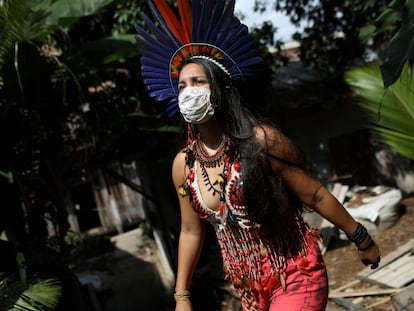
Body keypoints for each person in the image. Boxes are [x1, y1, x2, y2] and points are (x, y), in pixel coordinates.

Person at [135, 1, 381, 310]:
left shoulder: (260, 141)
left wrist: (360, 237)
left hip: (295, 272)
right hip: (248, 288)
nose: (188, 92)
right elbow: (189, 230)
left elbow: (315, 195)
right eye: (182, 86)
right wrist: (182, 295)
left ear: (222, 88)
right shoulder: (183, 165)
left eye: (198, 82)